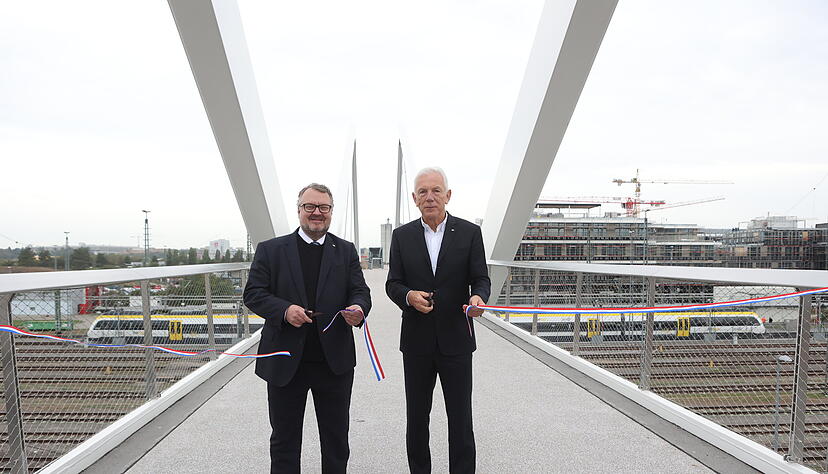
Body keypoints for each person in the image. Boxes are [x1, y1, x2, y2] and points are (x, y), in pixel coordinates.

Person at [244, 183, 371, 474]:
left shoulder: (346, 251)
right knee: (284, 441)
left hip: (333, 363)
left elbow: (360, 291)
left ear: (330, 211)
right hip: (285, 360)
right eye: (310, 207)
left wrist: (359, 309)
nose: (317, 213)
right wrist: (285, 311)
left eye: (323, 207)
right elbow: (253, 294)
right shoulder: (271, 250)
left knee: (337, 441)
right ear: (299, 209)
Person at [386, 167, 491, 474]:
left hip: (456, 339)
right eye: (423, 192)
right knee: (417, 419)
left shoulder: (470, 233)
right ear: (415, 198)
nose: (429, 197)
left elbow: (480, 278)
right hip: (416, 341)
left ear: (448, 195)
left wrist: (478, 298)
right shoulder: (401, 236)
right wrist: (408, 297)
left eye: (435, 191)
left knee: (461, 418)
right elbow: (393, 283)